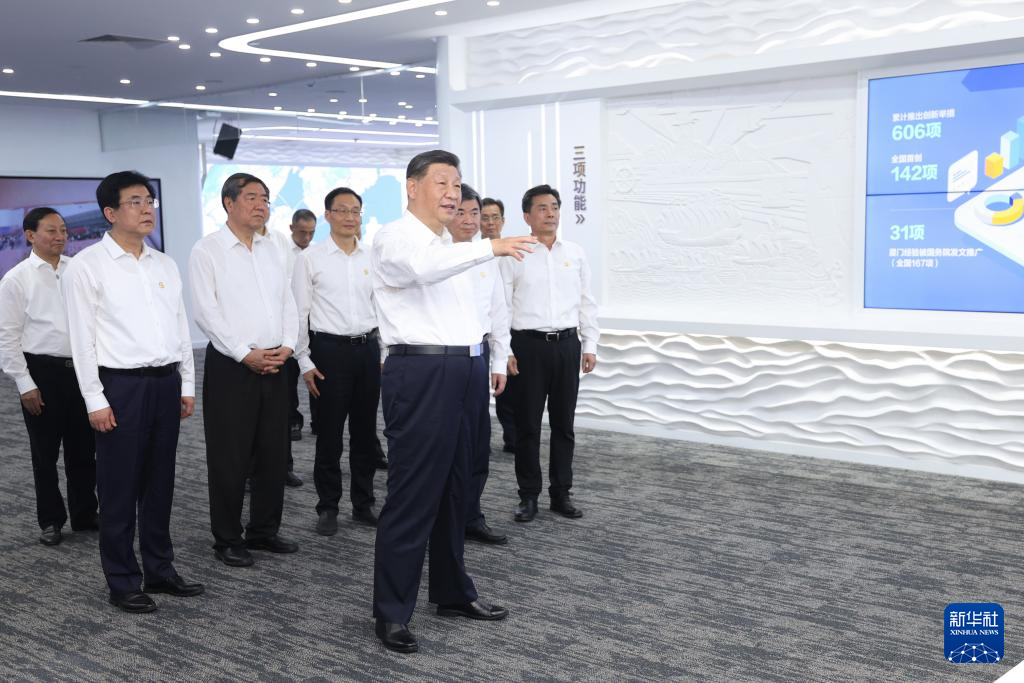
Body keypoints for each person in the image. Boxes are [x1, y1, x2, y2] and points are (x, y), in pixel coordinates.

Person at [370, 150, 535, 654]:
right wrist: (489, 246)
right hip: (420, 371)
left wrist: (490, 359)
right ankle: (391, 612)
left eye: (457, 183)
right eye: (441, 182)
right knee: (413, 493)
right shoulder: (395, 238)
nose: (451, 192)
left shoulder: (453, 246)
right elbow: (423, 270)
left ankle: (452, 592)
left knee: (456, 487)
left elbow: (481, 311)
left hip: (466, 369)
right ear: (412, 186)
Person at [64, 171, 203, 613]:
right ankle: (123, 579)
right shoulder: (87, 266)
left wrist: (186, 383)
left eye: (149, 201)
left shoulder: (163, 264)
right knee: (120, 487)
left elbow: (179, 328)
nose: (147, 209)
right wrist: (95, 399)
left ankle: (160, 570)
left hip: (165, 383)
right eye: (135, 202)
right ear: (110, 212)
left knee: (160, 483)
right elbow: (82, 341)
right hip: (119, 387)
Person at [190, 172, 299, 568]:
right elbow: (206, 312)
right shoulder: (208, 250)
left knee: (274, 452)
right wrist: (242, 353)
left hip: (276, 361)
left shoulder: (274, 248)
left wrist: (289, 345)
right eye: (252, 197)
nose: (261, 205)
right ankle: (227, 538)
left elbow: (288, 300)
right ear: (228, 203)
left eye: (265, 198)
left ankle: (264, 531)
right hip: (232, 366)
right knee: (230, 455)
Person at [500, 184, 599, 523]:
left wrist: (590, 343)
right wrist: (504, 350)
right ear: (527, 216)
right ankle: (528, 496)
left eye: (555, 207)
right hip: (527, 347)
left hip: (567, 346)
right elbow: (501, 305)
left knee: (564, 425)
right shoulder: (515, 254)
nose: (551, 213)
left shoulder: (575, 253)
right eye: (542, 208)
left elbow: (586, 301)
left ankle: (561, 493)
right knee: (527, 426)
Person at [0, 208, 97, 546]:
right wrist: (25, 383)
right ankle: (51, 520)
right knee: (45, 454)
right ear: (30, 235)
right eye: (51, 231)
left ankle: (85, 514)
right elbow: (7, 338)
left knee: (84, 449)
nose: (60, 236)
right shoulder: (16, 279)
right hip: (42, 374)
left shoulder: (78, 270)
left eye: (64, 230)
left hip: (82, 370)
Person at [293, 187, 381, 536]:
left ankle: (364, 503)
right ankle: (328, 506)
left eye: (355, 211)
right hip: (328, 352)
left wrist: (384, 352)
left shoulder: (372, 256)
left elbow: (382, 306)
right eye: (342, 210)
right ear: (327, 215)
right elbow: (299, 312)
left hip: (367, 349)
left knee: (365, 432)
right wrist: (303, 360)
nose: (349, 217)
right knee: (329, 434)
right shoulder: (310, 258)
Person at [448, 185, 510, 546]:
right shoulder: (435, 256)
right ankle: (446, 519)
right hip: (443, 360)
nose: (470, 220)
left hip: (478, 355)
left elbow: (498, 312)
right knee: (448, 446)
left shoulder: (487, 257)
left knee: (477, 443)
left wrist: (499, 360)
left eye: (475, 213)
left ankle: (471, 515)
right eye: (462, 212)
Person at [482, 197, 516, 454]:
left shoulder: (515, 254)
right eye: (485, 217)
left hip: (514, 333)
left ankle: (512, 436)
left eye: (495, 217)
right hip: (483, 333)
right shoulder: (471, 255)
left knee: (509, 389)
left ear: (503, 221)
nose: (490, 222)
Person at [285, 209, 316, 447]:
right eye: (302, 232)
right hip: (287, 323)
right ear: (291, 228)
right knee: (289, 376)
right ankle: (293, 420)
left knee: (317, 371)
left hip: (314, 322)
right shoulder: (281, 253)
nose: (306, 237)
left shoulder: (316, 254)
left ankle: (319, 419)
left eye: (311, 233)